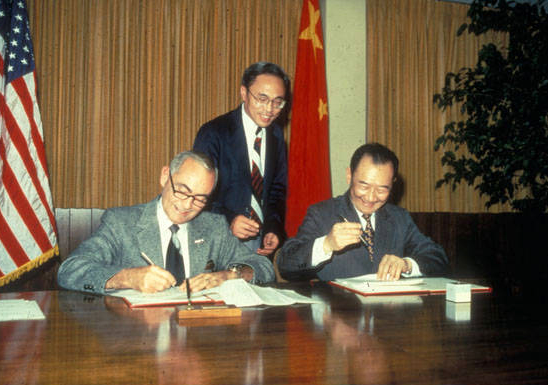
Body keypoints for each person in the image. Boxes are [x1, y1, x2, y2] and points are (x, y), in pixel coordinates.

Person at [57, 151, 275, 294]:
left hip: (197, 343)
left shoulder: (213, 227)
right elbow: (70, 269)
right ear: (164, 176)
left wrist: (230, 275)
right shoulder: (122, 222)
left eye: (200, 198)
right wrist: (126, 277)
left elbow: (264, 268)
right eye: (182, 190)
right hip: (138, 342)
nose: (188, 205)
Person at [278, 143, 449, 281]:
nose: (371, 197)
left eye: (382, 189)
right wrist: (326, 244)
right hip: (338, 316)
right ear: (349, 176)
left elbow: (438, 258)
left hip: (387, 318)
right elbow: (286, 265)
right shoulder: (322, 213)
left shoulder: (399, 218)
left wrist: (406, 264)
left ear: (392, 184)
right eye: (364, 186)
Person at [193, 61, 289, 257]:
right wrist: (229, 221)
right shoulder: (214, 133)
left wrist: (273, 227)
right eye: (262, 99)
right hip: (218, 240)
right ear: (244, 93)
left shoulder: (276, 135)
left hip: (259, 243)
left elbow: (276, 190)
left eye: (277, 102)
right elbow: (198, 195)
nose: (269, 109)